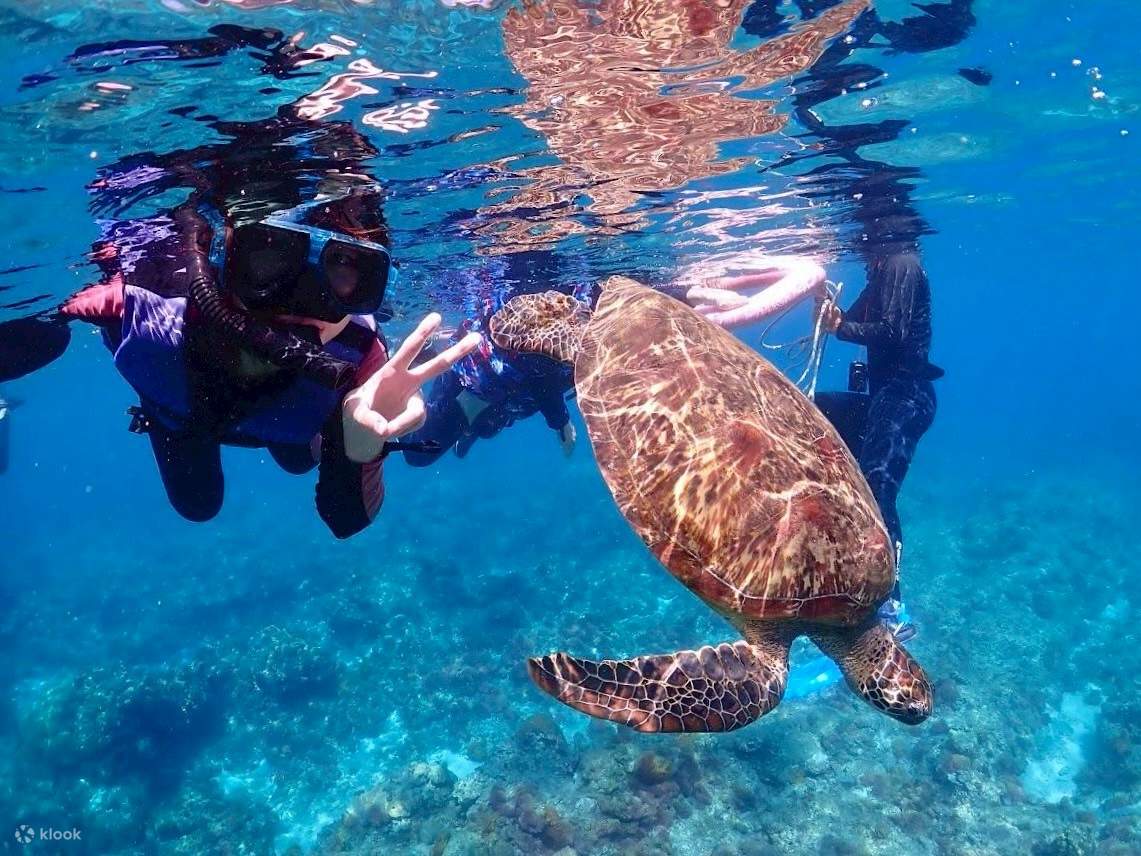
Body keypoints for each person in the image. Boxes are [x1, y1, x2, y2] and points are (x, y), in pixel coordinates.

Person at [0, 193, 478, 538]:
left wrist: (360, 444)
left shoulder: (362, 364)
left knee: (297, 459)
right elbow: (54, 322)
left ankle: (314, 435)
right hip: (187, 420)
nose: (297, 303)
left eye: (341, 274)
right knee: (198, 505)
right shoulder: (149, 305)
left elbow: (345, 521)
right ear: (226, 261)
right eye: (268, 260)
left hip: (286, 415)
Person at [815, 251, 942, 639]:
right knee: (812, 410)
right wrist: (823, 305)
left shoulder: (901, 262)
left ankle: (892, 607)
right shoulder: (882, 271)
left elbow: (892, 332)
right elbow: (846, 322)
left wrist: (842, 328)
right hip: (882, 398)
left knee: (877, 486)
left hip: (907, 396)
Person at [402, 317, 575, 466]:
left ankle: (469, 427)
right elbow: (541, 364)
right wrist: (561, 421)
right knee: (417, 454)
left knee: (488, 429)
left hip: (504, 394)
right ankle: (412, 367)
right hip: (475, 382)